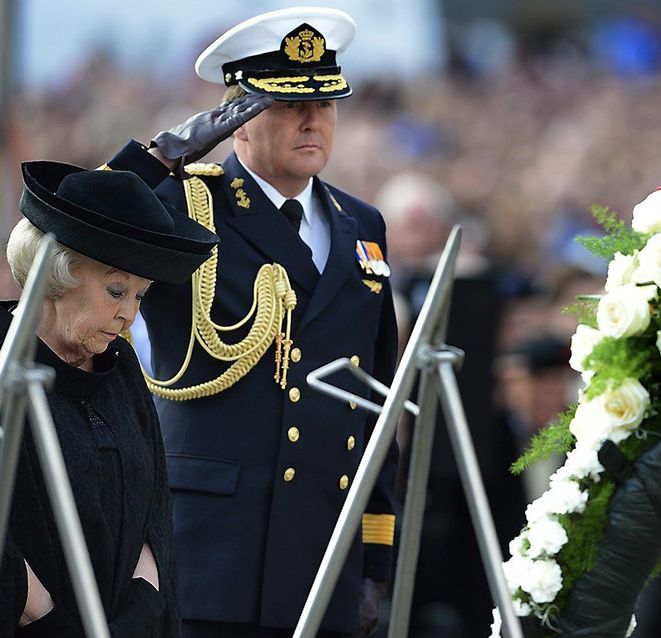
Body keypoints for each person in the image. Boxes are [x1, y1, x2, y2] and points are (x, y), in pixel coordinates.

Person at [105, 7, 398, 637]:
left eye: (325, 103)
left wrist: (375, 560)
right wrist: (158, 159)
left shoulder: (362, 225)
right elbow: (65, 233)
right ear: (237, 121)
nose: (313, 119)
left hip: (324, 555)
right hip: (212, 552)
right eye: (288, 105)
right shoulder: (184, 205)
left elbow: (378, 400)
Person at [0, 162, 219, 636]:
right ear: (56, 275)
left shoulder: (120, 370)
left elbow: (153, 512)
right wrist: (49, 622)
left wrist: (140, 613)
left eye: (140, 297)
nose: (128, 316)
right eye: (116, 290)